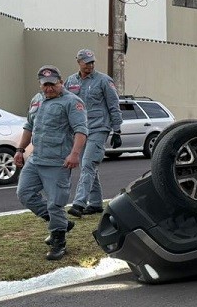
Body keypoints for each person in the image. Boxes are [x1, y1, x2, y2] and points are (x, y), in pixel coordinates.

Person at [14, 65, 87, 261]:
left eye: (52, 84)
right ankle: (61, 223)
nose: (49, 88)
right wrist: (20, 150)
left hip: (58, 162)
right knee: (24, 193)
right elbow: (29, 126)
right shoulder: (37, 99)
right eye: (45, 85)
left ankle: (58, 241)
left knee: (55, 204)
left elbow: (81, 130)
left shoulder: (72, 102)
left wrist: (74, 154)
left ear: (61, 82)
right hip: (36, 158)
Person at [65, 48, 122, 217]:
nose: (90, 65)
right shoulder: (70, 81)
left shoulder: (104, 80)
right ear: (78, 62)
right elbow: (66, 105)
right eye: (86, 62)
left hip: (99, 128)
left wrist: (117, 130)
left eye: (92, 62)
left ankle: (79, 203)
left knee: (88, 164)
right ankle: (96, 203)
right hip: (80, 130)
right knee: (88, 167)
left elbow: (114, 105)